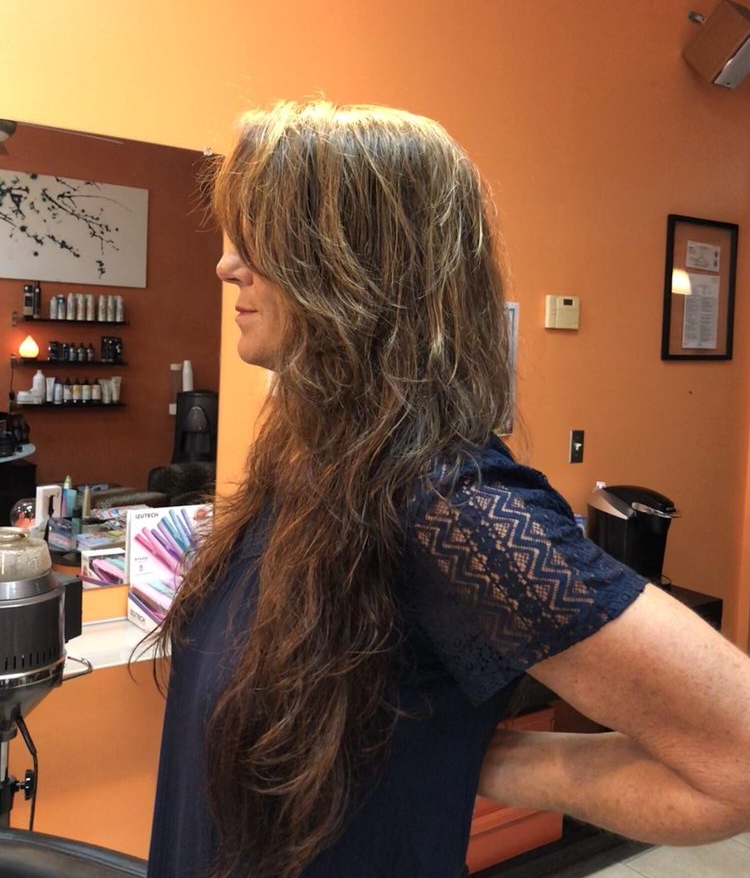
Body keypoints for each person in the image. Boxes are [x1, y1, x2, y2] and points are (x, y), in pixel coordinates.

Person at [147, 101, 750, 878]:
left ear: (355, 262)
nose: (227, 264)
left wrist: (477, 761)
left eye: (260, 236)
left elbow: (736, 760)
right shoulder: (303, 465)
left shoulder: (447, 501)